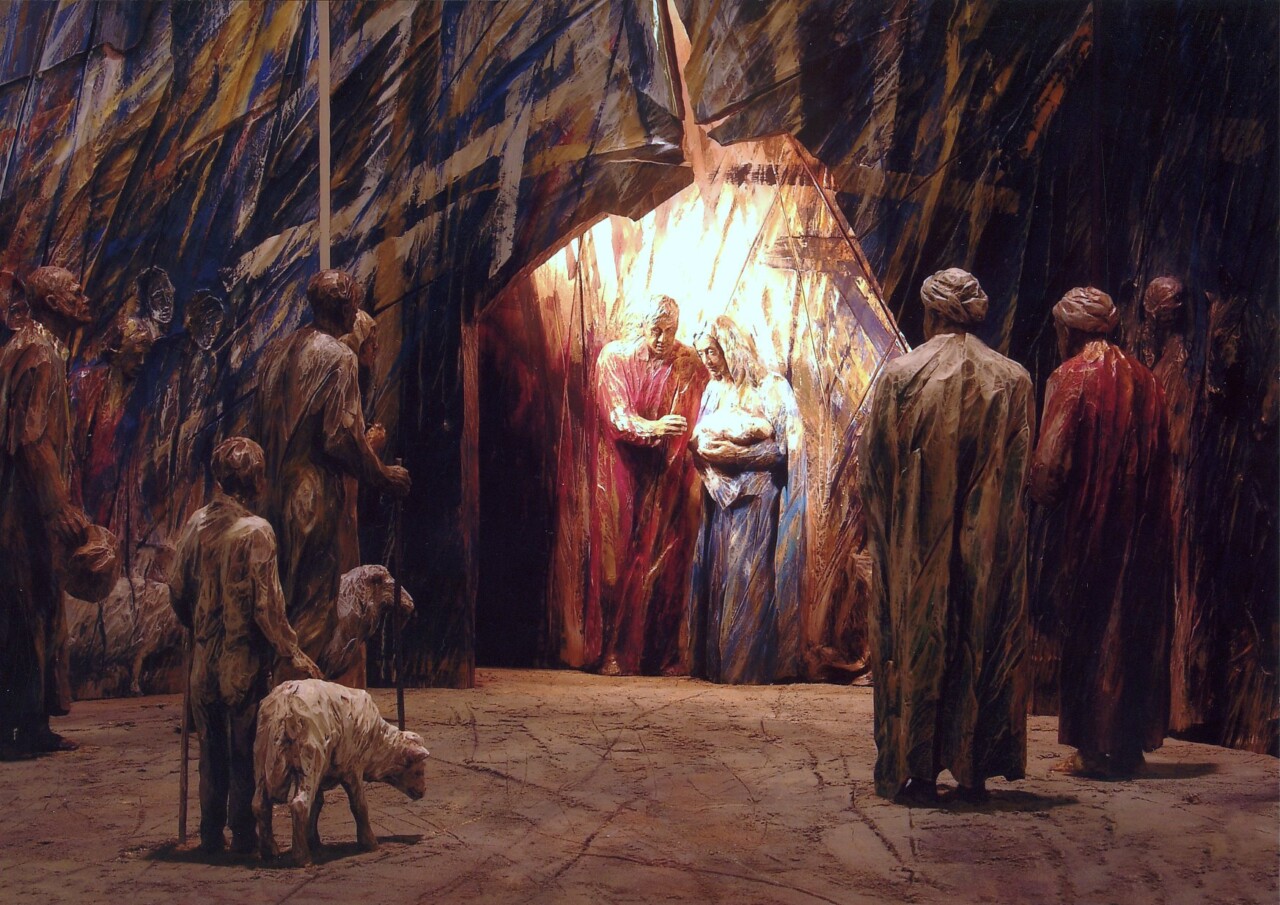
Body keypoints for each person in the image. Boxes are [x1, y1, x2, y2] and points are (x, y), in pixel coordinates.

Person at [858, 267, 1033, 804]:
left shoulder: (901, 375)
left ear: (932, 312)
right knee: (980, 631)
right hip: (988, 537)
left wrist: (883, 534)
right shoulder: (1013, 379)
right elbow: (1019, 473)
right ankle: (974, 769)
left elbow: (875, 466)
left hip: (916, 538)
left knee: (918, 634)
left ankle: (916, 770)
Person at [1029, 286, 1172, 779]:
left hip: (1091, 526)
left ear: (1070, 330)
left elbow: (1050, 467)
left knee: (1089, 625)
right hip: (1146, 531)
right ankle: (1129, 746)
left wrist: (1039, 495)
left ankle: (1090, 749)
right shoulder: (1149, 381)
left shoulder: (1071, 376)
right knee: (1133, 627)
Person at [169, 436, 321, 854]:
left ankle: (209, 834)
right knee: (244, 751)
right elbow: (267, 608)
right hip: (241, 662)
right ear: (253, 478)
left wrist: (199, 626)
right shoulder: (257, 532)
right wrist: (292, 651)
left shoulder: (195, 525)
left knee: (210, 750)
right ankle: (242, 834)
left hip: (204, 661)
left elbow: (177, 590)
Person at [252, 270, 410, 665]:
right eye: (353, 306)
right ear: (343, 309)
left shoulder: (274, 353)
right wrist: (383, 475)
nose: (355, 314)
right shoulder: (339, 357)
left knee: (275, 600)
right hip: (310, 497)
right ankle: (300, 697)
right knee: (311, 607)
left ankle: (274, 691)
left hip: (267, 495)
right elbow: (340, 437)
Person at [0, 265, 95, 758]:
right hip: (25, 511)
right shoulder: (40, 353)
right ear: (53, 302)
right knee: (26, 613)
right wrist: (57, 505)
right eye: (75, 291)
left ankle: (30, 725)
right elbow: (31, 439)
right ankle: (19, 731)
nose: (84, 297)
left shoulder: (30, 348)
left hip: (23, 505)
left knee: (29, 612)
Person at [587, 293, 707, 676]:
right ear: (642, 326)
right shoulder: (615, 358)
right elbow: (617, 417)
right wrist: (655, 427)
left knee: (663, 558)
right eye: (656, 330)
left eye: (670, 331)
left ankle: (655, 654)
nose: (662, 339)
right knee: (616, 558)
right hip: (621, 471)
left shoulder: (685, 363)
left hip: (664, 477)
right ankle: (609, 651)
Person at [687, 315, 805, 684]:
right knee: (720, 578)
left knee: (747, 579)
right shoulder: (714, 391)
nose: (707, 360)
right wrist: (709, 459)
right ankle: (719, 666)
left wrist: (736, 455)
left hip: (756, 499)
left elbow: (784, 450)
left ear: (730, 346)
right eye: (702, 353)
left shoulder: (771, 388)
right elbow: (698, 443)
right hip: (720, 499)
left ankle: (746, 667)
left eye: (712, 351)